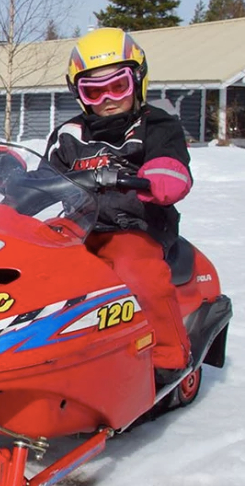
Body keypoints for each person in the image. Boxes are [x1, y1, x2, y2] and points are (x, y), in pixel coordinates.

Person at [45, 27, 192, 381]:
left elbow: (171, 163)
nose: (108, 98)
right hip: (80, 228)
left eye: (118, 86)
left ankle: (169, 354)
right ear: (79, 94)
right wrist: (15, 193)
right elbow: (42, 178)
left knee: (133, 269)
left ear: (138, 80)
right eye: (94, 91)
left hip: (136, 226)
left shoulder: (156, 124)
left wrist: (160, 177)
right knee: (34, 268)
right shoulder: (69, 134)